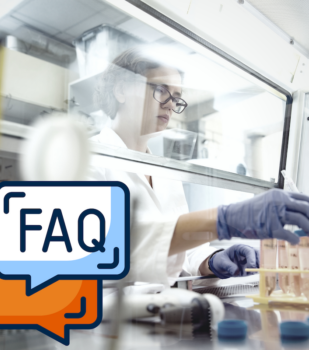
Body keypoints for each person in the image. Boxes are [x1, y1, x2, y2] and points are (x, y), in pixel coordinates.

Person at [87, 47, 309, 288]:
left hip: (161, 311)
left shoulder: (164, 173)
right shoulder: (88, 159)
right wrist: (220, 220)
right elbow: (101, 249)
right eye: (161, 90)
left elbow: (183, 253)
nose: (171, 105)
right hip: (104, 315)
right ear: (121, 89)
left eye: (177, 97)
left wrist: (212, 260)